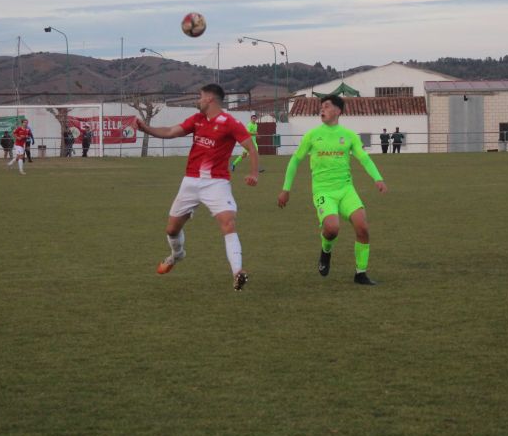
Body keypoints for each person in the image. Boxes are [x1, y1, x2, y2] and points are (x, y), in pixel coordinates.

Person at [136, 83, 259, 291]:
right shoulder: (197, 120)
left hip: (216, 182)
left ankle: (238, 272)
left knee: (228, 222)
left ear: (210, 99)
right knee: (172, 229)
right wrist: (146, 129)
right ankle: (177, 254)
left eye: (200, 96)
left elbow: (250, 146)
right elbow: (171, 131)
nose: (198, 100)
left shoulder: (230, 123)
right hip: (191, 181)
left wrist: (254, 173)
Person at [278, 94, 388, 285]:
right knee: (332, 229)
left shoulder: (349, 135)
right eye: (321, 107)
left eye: (327, 106)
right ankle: (326, 251)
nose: (322, 109)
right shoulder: (312, 135)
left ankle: (360, 274)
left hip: (346, 189)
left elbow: (364, 158)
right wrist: (286, 189)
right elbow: (295, 160)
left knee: (362, 227)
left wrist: (378, 178)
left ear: (338, 111)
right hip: (323, 191)